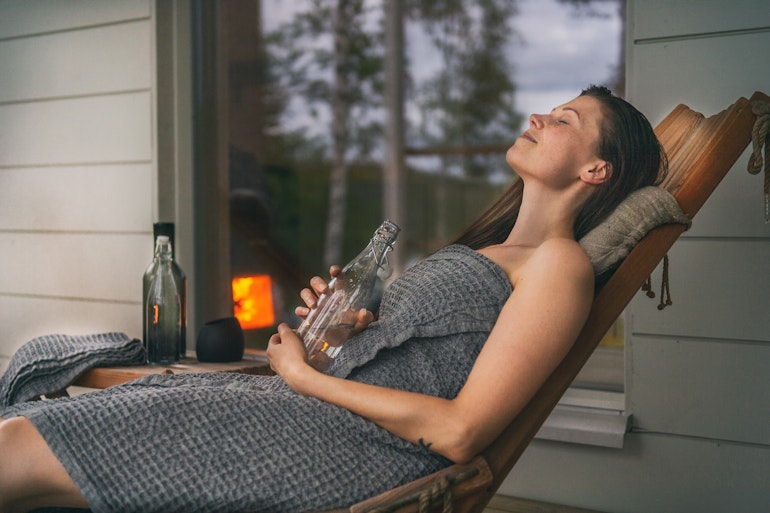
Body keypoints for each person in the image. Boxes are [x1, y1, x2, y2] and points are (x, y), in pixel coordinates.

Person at [0, 85, 666, 513]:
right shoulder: (498, 253)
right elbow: (434, 354)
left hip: (347, 446)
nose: (538, 116)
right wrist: (352, 333)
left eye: (564, 119)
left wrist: (299, 377)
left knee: (27, 446)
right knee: (35, 427)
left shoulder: (561, 268)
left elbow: (461, 431)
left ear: (595, 170)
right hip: (305, 408)